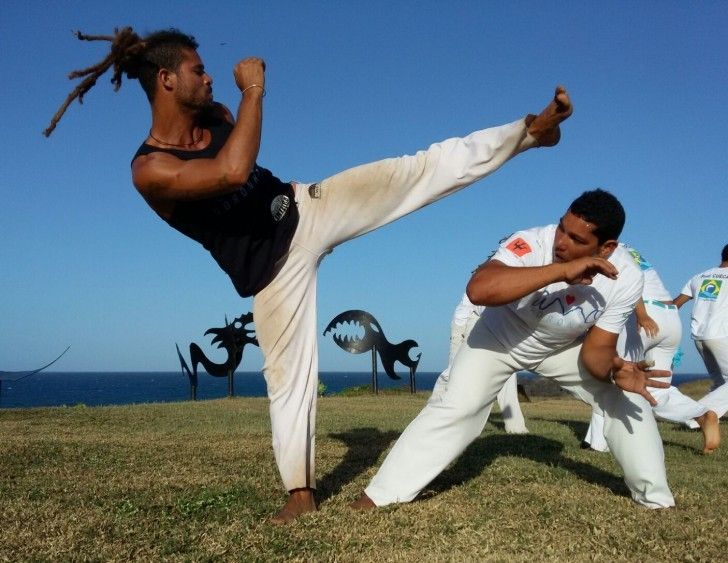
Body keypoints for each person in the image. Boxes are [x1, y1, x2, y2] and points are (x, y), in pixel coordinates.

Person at [45, 28, 572, 523]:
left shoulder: (219, 114)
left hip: (304, 209)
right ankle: (301, 492)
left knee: (411, 171)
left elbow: (244, 161)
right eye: (197, 69)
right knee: (289, 379)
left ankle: (528, 132)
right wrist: (254, 89)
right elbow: (230, 171)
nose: (208, 78)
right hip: (270, 271)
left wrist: (242, 104)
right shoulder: (150, 169)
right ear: (166, 80)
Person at [353, 189, 677, 512]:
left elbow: (596, 352)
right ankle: (381, 495)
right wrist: (562, 270)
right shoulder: (532, 242)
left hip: (560, 347)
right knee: (456, 406)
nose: (561, 242)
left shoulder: (626, 279)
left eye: (577, 239)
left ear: (606, 248)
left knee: (626, 398)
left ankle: (657, 501)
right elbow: (479, 288)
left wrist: (615, 370)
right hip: (498, 338)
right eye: (562, 228)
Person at [582, 244, 720, 454]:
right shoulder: (631, 250)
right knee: (657, 388)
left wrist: (642, 314)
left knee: (614, 376)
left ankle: (598, 443)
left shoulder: (606, 249)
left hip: (641, 314)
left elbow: (628, 281)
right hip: (670, 316)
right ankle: (701, 414)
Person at [430, 293, 529, 434]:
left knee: (507, 373)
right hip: (465, 324)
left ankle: (516, 427)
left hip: (492, 324)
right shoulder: (484, 279)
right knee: (453, 374)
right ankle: (434, 413)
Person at [673, 244, 728, 426]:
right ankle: (694, 416)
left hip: (699, 337)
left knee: (720, 382)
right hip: (721, 335)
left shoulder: (699, 277)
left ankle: (709, 418)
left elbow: (676, 304)